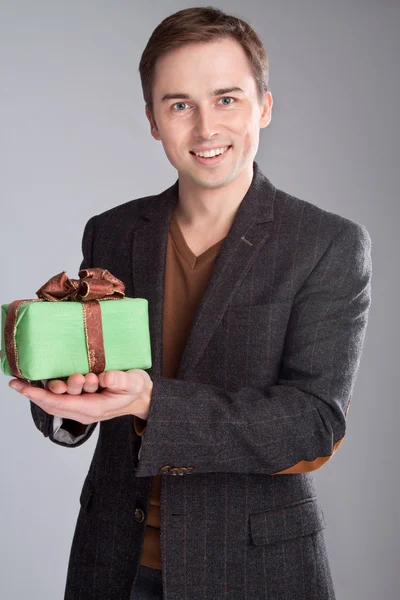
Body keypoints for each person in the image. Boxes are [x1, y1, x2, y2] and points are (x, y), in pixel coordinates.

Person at [8, 6, 372, 600]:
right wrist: (66, 401)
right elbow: (91, 381)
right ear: (153, 120)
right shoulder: (112, 231)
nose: (205, 128)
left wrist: (152, 401)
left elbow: (314, 424)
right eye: (179, 105)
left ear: (265, 107)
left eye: (226, 99)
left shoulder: (327, 243)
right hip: (112, 561)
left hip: (253, 568)